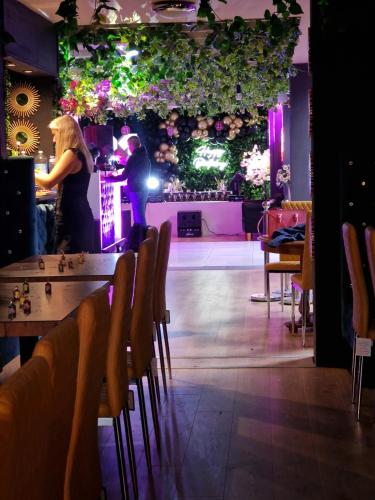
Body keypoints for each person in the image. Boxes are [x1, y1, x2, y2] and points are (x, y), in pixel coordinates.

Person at [35, 115, 95, 253]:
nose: (54, 140)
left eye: (55, 134)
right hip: (79, 213)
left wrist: (30, 172)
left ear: (64, 133)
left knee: (68, 261)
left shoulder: (71, 154)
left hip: (71, 216)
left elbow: (49, 183)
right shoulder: (81, 153)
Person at [113, 135, 151, 226]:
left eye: (128, 145)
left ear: (131, 145)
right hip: (144, 189)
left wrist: (108, 178)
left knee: (139, 218)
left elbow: (123, 177)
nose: (128, 148)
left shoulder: (134, 157)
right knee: (140, 216)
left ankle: (142, 238)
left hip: (136, 189)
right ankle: (142, 237)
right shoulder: (144, 156)